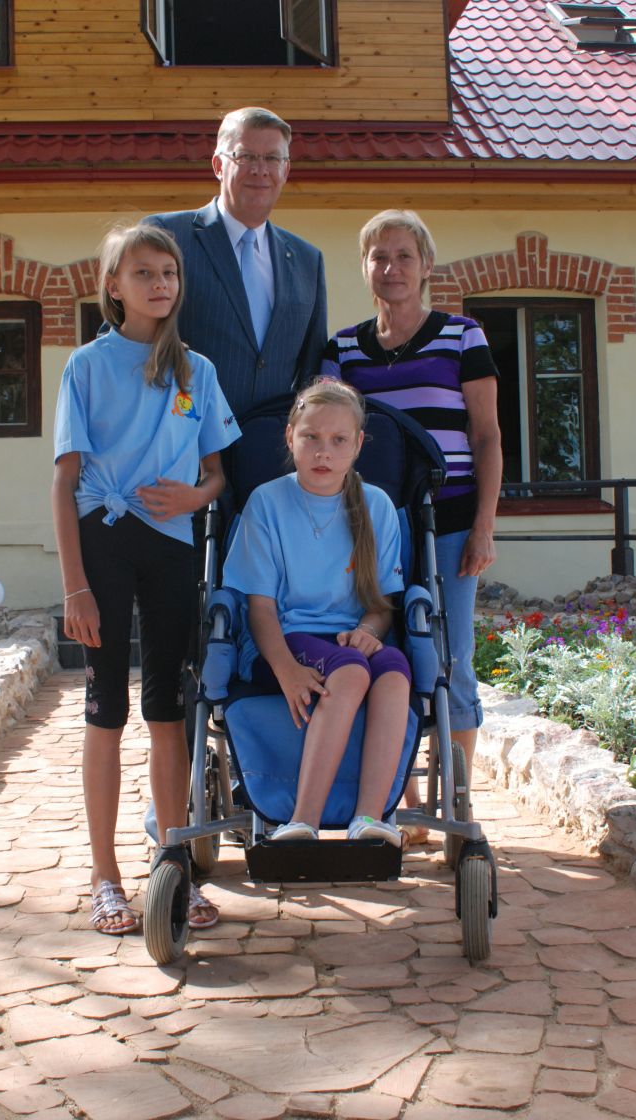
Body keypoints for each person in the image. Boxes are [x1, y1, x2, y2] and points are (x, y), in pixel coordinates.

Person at [52, 224, 240, 934]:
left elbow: (218, 473)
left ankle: (174, 864)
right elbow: (64, 482)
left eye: (169, 272)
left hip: (170, 546)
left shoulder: (198, 371)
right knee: (106, 709)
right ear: (113, 286)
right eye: (143, 273)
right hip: (102, 544)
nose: (160, 284)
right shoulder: (86, 366)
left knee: (167, 708)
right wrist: (74, 586)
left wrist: (195, 496)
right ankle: (105, 877)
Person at [321, 209, 502, 843]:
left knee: (449, 657)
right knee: (384, 651)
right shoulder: (342, 349)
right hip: (367, 529)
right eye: (379, 256)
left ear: (425, 266)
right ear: (365, 267)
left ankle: (455, 802)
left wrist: (484, 525)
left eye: (404, 256)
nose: (391, 268)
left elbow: (486, 436)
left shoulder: (462, 336)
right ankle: (403, 797)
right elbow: (325, 430)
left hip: (449, 524)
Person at [222, 381, 412, 845]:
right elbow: (260, 608)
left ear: (358, 444)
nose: (323, 451)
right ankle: (302, 820)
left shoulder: (377, 507)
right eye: (311, 437)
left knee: (394, 668)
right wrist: (285, 669)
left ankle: (369, 819)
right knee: (350, 671)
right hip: (282, 640)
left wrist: (369, 631)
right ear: (290, 437)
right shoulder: (267, 502)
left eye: (338, 440)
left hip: (348, 641)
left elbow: (381, 606)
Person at [143, 106, 327, 418]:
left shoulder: (308, 260)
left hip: (271, 443)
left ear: (286, 170)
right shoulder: (167, 236)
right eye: (246, 156)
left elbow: (311, 370)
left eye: (272, 158)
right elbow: (125, 342)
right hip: (184, 438)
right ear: (218, 165)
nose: (260, 169)